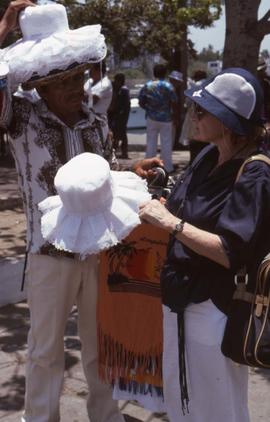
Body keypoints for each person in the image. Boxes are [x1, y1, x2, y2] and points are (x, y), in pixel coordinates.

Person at [0, 3, 161, 421]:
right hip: (48, 254)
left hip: (99, 252)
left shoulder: (95, 123)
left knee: (99, 345)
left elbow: (99, 173)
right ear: (42, 88)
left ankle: (105, 417)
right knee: (44, 351)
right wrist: (3, 34)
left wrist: (130, 168)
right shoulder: (21, 120)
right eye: (63, 81)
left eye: (76, 78)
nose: (75, 87)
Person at [139, 67, 270, 421]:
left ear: (227, 122)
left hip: (214, 307)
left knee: (218, 406)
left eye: (202, 111)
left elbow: (229, 251)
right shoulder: (207, 157)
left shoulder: (255, 172)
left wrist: (170, 222)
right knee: (184, 402)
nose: (192, 116)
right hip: (181, 299)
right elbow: (186, 211)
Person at [139, 63, 177, 173]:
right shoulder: (168, 86)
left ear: (154, 73)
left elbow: (141, 101)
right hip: (166, 118)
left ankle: (149, 166)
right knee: (166, 143)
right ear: (165, 73)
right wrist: (175, 116)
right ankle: (167, 167)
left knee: (151, 143)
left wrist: (148, 108)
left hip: (151, 117)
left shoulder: (148, 85)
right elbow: (174, 102)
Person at [108, 72, 130, 159]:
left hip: (120, 115)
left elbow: (125, 105)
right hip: (115, 114)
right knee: (115, 134)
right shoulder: (115, 88)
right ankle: (115, 151)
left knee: (122, 134)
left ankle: (123, 152)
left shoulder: (123, 90)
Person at [168, 70, 184, 150]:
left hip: (164, 116)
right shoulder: (172, 89)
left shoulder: (167, 87)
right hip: (170, 117)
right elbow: (173, 105)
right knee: (170, 139)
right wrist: (176, 117)